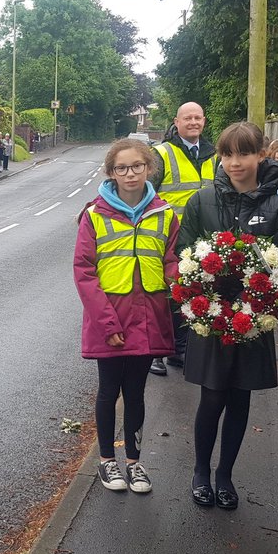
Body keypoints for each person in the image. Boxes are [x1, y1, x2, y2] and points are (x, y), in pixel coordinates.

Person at [177, 122, 278, 510]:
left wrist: (254, 305)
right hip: (210, 317)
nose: (234, 162)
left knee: (240, 399)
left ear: (261, 155)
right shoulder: (201, 201)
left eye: (244, 153)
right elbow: (186, 257)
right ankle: (200, 471)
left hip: (253, 317)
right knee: (212, 397)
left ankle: (225, 474)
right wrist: (208, 305)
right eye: (227, 154)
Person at [74, 138, 180, 494]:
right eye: (122, 168)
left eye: (136, 166)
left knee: (136, 392)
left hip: (148, 318)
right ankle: (107, 461)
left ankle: (134, 462)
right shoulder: (94, 215)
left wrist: (183, 288)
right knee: (108, 391)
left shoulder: (165, 213)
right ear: (111, 173)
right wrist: (107, 323)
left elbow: (171, 261)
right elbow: (84, 271)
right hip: (110, 321)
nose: (130, 173)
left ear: (148, 168)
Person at [148, 101, 219, 376]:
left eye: (197, 118)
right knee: (163, 295)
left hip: (202, 238)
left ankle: (180, 348)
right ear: (176, 123)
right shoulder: (162, 153)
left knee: (189, 294)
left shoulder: (215, 155)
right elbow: (148, 195)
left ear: (204, 121)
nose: (193, 122)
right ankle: (157, 352)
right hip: (167, 235)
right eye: (187, 118)